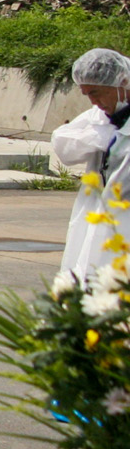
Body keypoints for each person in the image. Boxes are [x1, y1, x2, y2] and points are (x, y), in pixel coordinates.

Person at [53, 48, 130, 278]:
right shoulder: (102, 117)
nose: (94, 102)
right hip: (98, 218)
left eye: (96, 93)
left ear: (123, 82)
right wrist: (99, 136)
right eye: (87, 94)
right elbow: (64, 144)